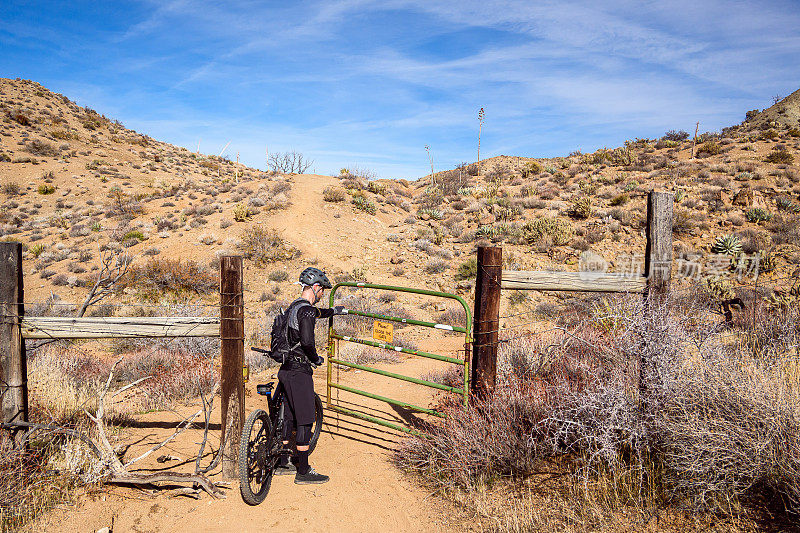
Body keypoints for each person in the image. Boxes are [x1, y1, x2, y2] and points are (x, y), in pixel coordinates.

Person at [274, 267, 345, 484]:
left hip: (285, 369)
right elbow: (307, 341)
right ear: (316, 287)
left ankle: (282, 462)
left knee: (287, 415)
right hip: (299, 370)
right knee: (305, 418)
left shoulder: (294, 307)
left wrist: (334, 311)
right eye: (322, 291)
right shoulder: (305, 311)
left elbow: (318, 312)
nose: (322, 294)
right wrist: (315, 358)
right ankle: (303, 471)